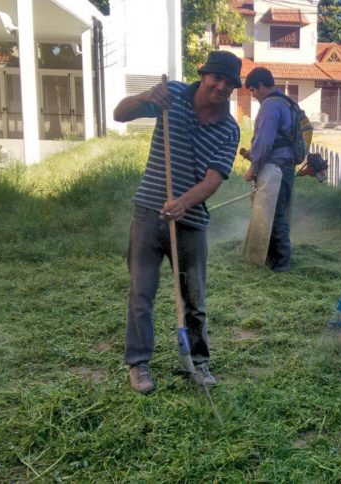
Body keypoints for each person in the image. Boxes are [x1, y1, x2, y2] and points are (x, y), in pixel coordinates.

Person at [113, 50, 242, 394]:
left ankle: (197, 362)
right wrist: (144, 97)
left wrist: (183, 203)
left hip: (192, 220)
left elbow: (214, 178)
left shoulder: (230, 129)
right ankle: (138, 364)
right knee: (141, 292)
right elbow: (119, 114)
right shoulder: (171, 100)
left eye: (229, 82)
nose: (221, 85)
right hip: (147, 212)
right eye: (216, 77)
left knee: (194, 298)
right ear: (203, 74)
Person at [243, 67, 297, 272]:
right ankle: (273, 259)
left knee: (273, 216)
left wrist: (253, 168)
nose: (253, 95)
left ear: (260, 85)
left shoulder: (270, 105)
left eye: (252, 91)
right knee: (277, 214)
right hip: (286, 167)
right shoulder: (288, 103)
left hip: (275, 169)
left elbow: (264, 142)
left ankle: (281, 264)